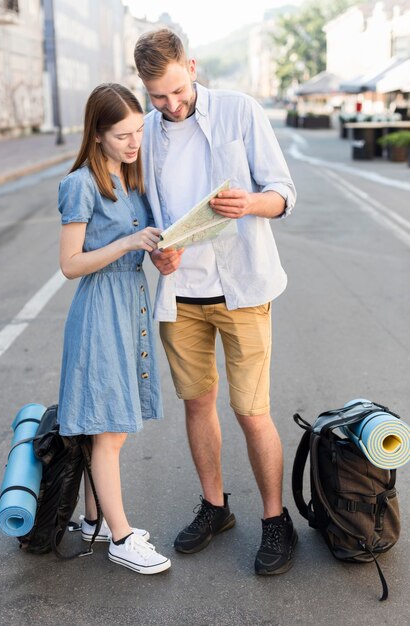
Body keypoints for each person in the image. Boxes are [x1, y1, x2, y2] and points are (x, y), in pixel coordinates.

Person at [134, 29, 298, 575]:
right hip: (180, 295)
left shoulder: (240, 111)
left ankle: (276, 522)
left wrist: (249, 202)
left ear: (192, 67)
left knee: (252, 411)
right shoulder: (148, 133)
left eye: (178, 90)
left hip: (242, 289)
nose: (171, 105)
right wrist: (159, 252)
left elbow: (283, 195)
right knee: (198, 404)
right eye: (158, 96)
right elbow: (148, 218)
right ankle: (215, 506)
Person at [57, 83, 171, 575]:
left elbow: (141, 241)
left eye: (139, 131)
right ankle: (122, 537)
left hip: (131, 306)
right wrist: (128, 244)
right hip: (101, 310)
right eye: (122, 135)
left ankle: (94, 522)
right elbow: (69, 264)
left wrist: (160, 252)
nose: (134, 142)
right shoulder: (81, 183)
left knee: (112, 426)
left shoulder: (132, 178)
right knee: (109, 430)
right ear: (97, 135)